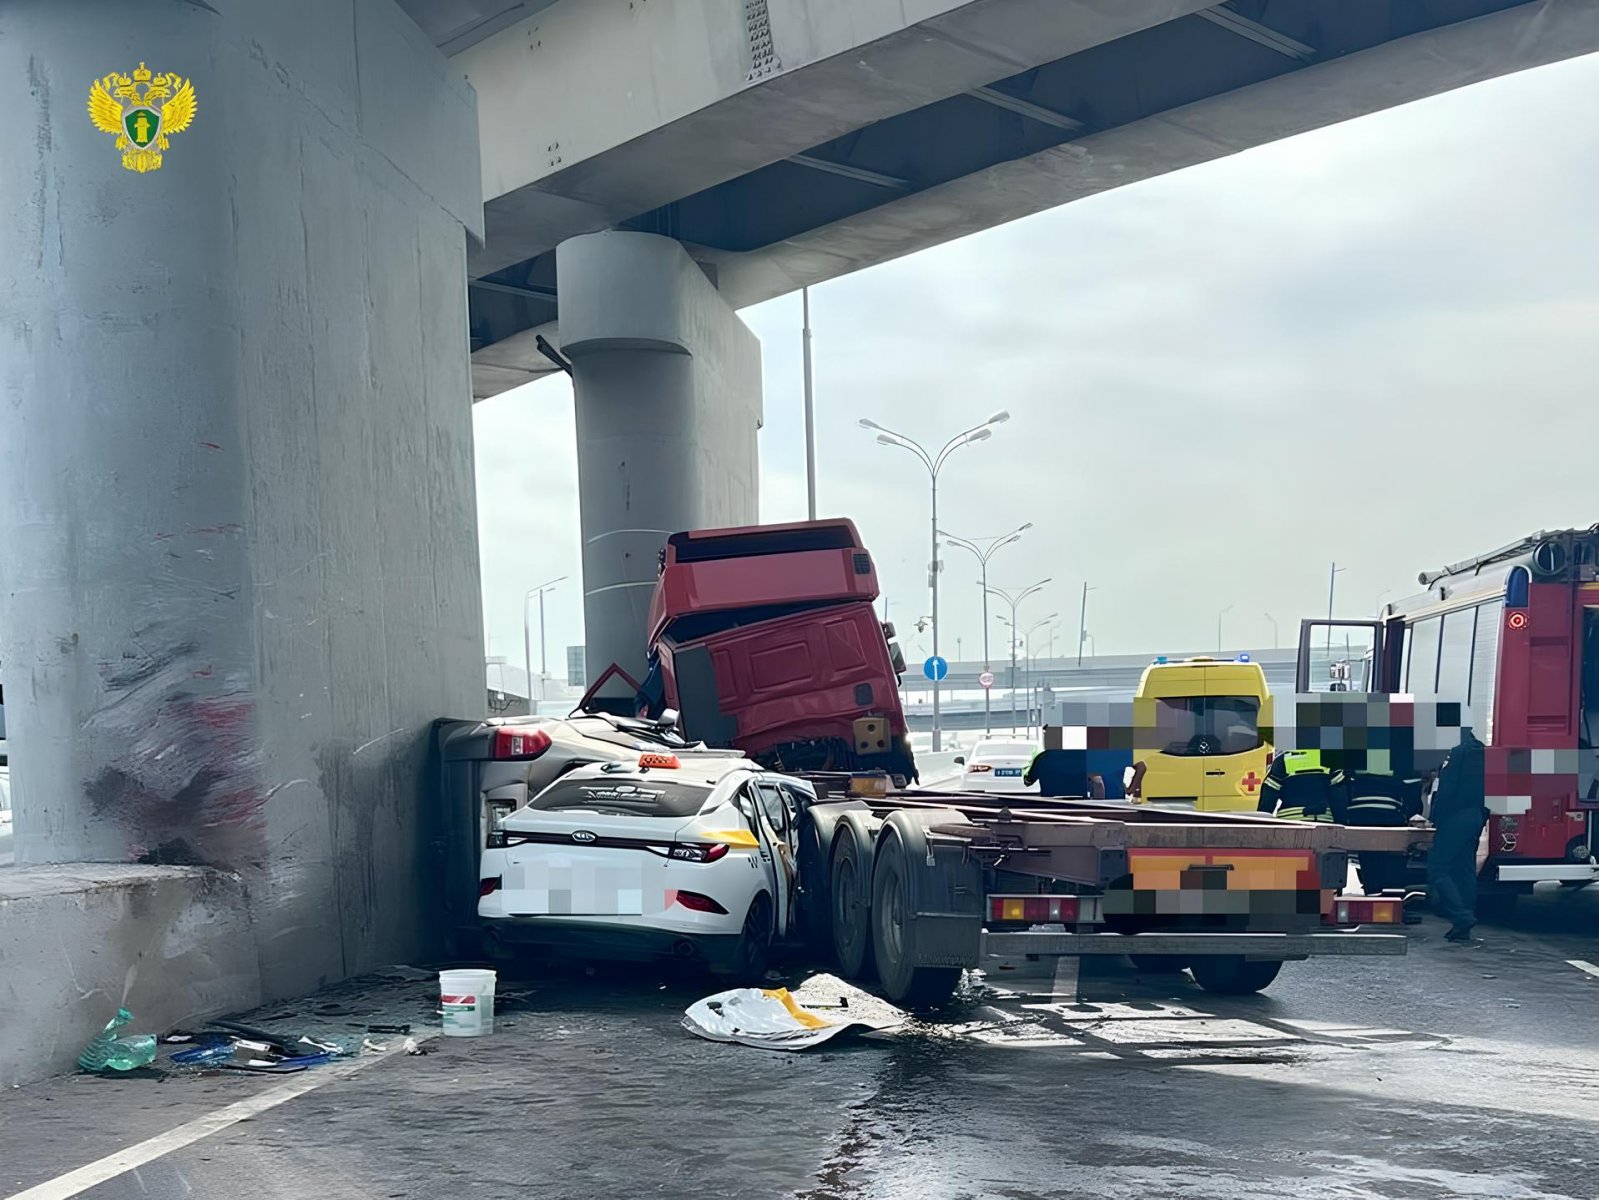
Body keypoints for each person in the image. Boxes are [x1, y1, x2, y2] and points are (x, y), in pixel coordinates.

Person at [1427, 727, 1488, 943]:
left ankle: (1461, 916)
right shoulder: (1483, 753)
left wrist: (1435, 820)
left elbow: (1447, 790)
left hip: (1456, 816)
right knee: (1465, 869)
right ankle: (1465, 921)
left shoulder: (1457, 752)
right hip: (1475, 816)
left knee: (1437, 868)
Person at [1257, 749, 1343, 822]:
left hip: (1289, 822)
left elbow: (1268, 796)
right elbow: (1339, 795)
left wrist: (1262, 825)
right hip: (1323, 821)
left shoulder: (1283, 760)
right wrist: (1341, 823)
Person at [1023, 746, 1103, 799]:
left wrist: (1028, 766)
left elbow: (1027, 781)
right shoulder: (1087, 757)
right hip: (1080, 806)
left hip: (1050, 806)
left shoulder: (1042, 758)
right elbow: (1098, 782)